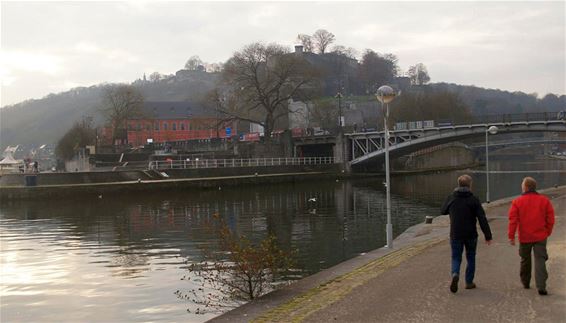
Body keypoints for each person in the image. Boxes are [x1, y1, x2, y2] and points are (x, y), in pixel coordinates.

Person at [441, 174, 492, 293]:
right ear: (470, 185)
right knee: (471, 257)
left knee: (456, 257)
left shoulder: (451, 197)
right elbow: (482, 218)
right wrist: (488, 235)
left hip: (455, 234)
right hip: (471, 234)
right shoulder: (474, 199)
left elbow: (442, 211)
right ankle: (469, 282)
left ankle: (455, 273)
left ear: (458, 184)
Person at [508, 177, 555, 295]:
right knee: (540, 260)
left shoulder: (517, 202)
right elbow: (550, 219)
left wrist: (511, 236)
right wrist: (547, 232)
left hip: (525, 237)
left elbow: (513, 220)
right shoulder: (544, 201)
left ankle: (525, 282)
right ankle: (541, 286)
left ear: (526, 187)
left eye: (522, 185)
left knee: (525, 259)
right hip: (540, 235)